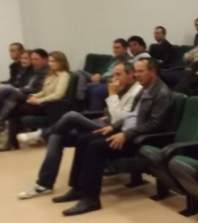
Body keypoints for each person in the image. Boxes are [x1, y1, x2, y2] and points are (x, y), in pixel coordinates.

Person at [50, 58, 171, 215]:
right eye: (136, 71)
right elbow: (131, 115)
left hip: (139, 138)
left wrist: (126, 134)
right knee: (84, 139)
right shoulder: (145, 88)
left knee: (95, 147)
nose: (137, 75)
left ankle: (91, 199)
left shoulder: (161, 93)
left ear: (153, 72)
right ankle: (78, 188)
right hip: (127, 132)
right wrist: (113, 127)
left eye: (141, 71)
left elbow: (155, 124)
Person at [17, 61, 143, 198]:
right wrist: (109, 106)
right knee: (57, 136)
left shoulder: (137, 92)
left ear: (131, 75)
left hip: (114, 130)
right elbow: (110, 113)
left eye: (119, 74)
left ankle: (42, 133)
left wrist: (112, 94)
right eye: (113, 75)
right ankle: (44, 184)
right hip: (103, 123)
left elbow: (121, 119)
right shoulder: (123, 88)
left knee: (71, 116)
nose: (114, 79)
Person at [1, 50, 71, 147]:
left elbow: (58, 94)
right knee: (14, 109)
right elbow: (44, 91)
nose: (50, 64)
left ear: (61, 62)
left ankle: (8, 137)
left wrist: (38, 100)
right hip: (42, 102)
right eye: (50, 61)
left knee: (11, 97)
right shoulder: (51, 75)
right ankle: (11, 142)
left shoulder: (64, 75)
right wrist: (34, 96)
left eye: (53, 61)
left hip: (50, 105)